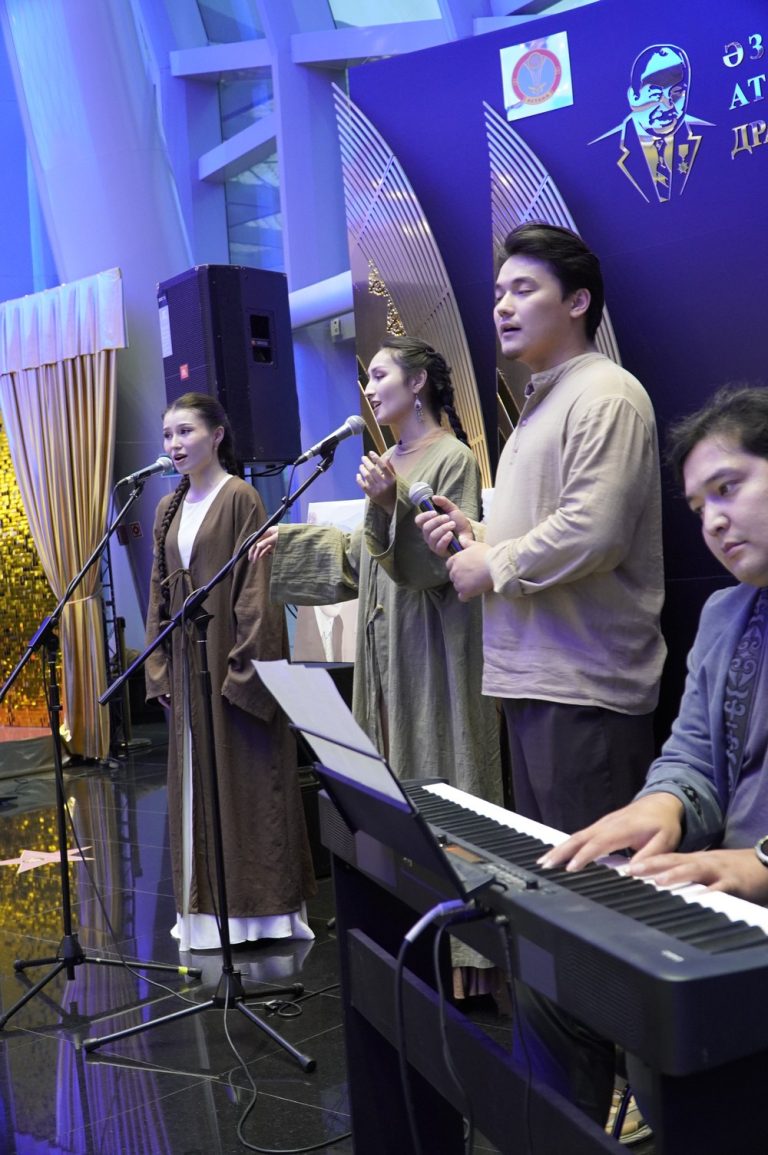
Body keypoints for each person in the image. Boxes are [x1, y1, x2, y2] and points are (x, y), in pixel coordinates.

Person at [525, 385, 768, 1137]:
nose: (713, 520)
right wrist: (660, 805)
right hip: (730, 897)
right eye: (699, 507)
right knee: (557, 974)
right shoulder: (728, 613)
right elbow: (693, 754)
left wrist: (758, 865)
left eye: (727, 488)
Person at [418, 222, 666, 838]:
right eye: (499, 293)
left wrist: (492, 565)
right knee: (554, 879)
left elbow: (595, 532)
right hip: (535, 682)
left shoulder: (605, 394)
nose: (503, 306)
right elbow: (550, 528)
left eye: (524, 290)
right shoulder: (543, 401)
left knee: (596, 885)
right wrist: (476, 536)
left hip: (584, 692)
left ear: (578, 301)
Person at [250, 335, 502, 806]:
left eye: (380, 376)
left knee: (437, 757)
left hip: (429, 637)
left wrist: (392, 502)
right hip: (381, 639)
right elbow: (363, 555)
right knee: (388, 762)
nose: (368, 389)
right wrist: (292, 542)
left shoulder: (454, 458)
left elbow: (449, 559)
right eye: (368, 378)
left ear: (418, 381)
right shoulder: (385, 461)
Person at [145, 391, 316, 953]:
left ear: (217, 435)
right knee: (197, 786)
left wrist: (243, 668)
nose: (174, 444)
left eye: (186, 431)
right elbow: (158, 594)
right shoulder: (167, 507)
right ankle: (204, 916)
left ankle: (260, 915)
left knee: (246, 782)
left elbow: (256, 591)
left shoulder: (241, 497)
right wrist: (159, 668)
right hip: (186, 665)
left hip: (227, 661)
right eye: (168, 434)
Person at [588, 43, 714, 204]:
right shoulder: (600, 151)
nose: (668, 105)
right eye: (656, 94)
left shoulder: (711, 133)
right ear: (633, 97)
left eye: (677, 92)